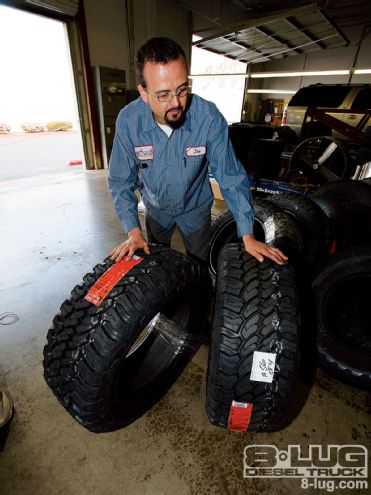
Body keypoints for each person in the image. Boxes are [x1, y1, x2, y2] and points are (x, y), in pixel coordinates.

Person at [108, 37, 287, 265]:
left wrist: (247, 234)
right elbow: (120, 181)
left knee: (200, 268)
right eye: (163, 95)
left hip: (195, 211)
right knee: (155, 265)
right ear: (143, 92)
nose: (176, 103)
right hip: (156, 211)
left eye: (182, 90)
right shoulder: (129, 122)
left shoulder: (208, 118)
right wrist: (133, 231)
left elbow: (230, 176)